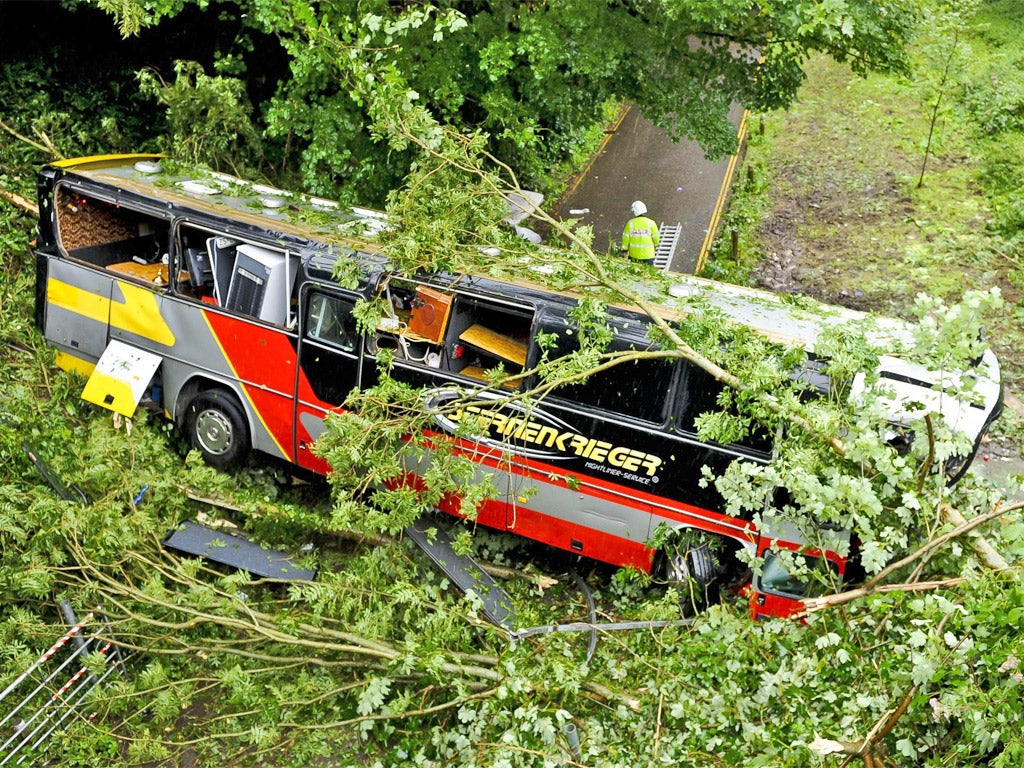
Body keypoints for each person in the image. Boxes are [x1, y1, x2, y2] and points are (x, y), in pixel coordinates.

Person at [621, 200, 660, 266]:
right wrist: (656, 245)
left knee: (635, 273)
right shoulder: (651, 223)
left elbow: (625, 239)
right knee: (648, 274)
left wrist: (625, 250)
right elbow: (656, 238)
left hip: (634, 255)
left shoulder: (630, 223)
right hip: (648, 255)